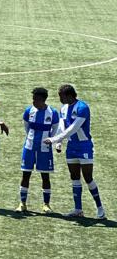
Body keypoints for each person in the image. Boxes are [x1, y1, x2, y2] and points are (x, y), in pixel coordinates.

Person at [44, 84, 106, 219]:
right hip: (71, 147)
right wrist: (59, 142)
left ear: (69, 95)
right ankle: (78, 209)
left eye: (61, 96)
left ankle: (100, 208)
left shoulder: (82, 108)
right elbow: (62, 127)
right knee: (74, 177)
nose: (60, 98)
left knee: (88, 177)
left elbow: (74, 128)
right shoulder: (63, 108)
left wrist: (54, 139)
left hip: (84, 146)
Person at [17, 87, 59, 214]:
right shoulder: (29, 111)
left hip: (44, 150)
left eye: (35, 99)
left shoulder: (52, 113)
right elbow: (27, 127)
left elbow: (55, 130)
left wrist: (50, 140)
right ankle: (22, 203)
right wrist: (31, 139)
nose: (33, 101)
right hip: (29, 147)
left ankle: (46, 204)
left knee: (45, 176)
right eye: (33, 99)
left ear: (42, 100)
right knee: (26, 175)